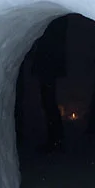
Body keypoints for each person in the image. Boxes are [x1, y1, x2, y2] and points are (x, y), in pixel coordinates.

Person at [30, 16, 69, 153]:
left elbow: (50, 45)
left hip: (48, 67)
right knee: (49, 103)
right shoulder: (57, 27)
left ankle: (55, 139)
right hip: (48, 67)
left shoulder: (53, 28)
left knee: (49, 103)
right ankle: (55, 138)